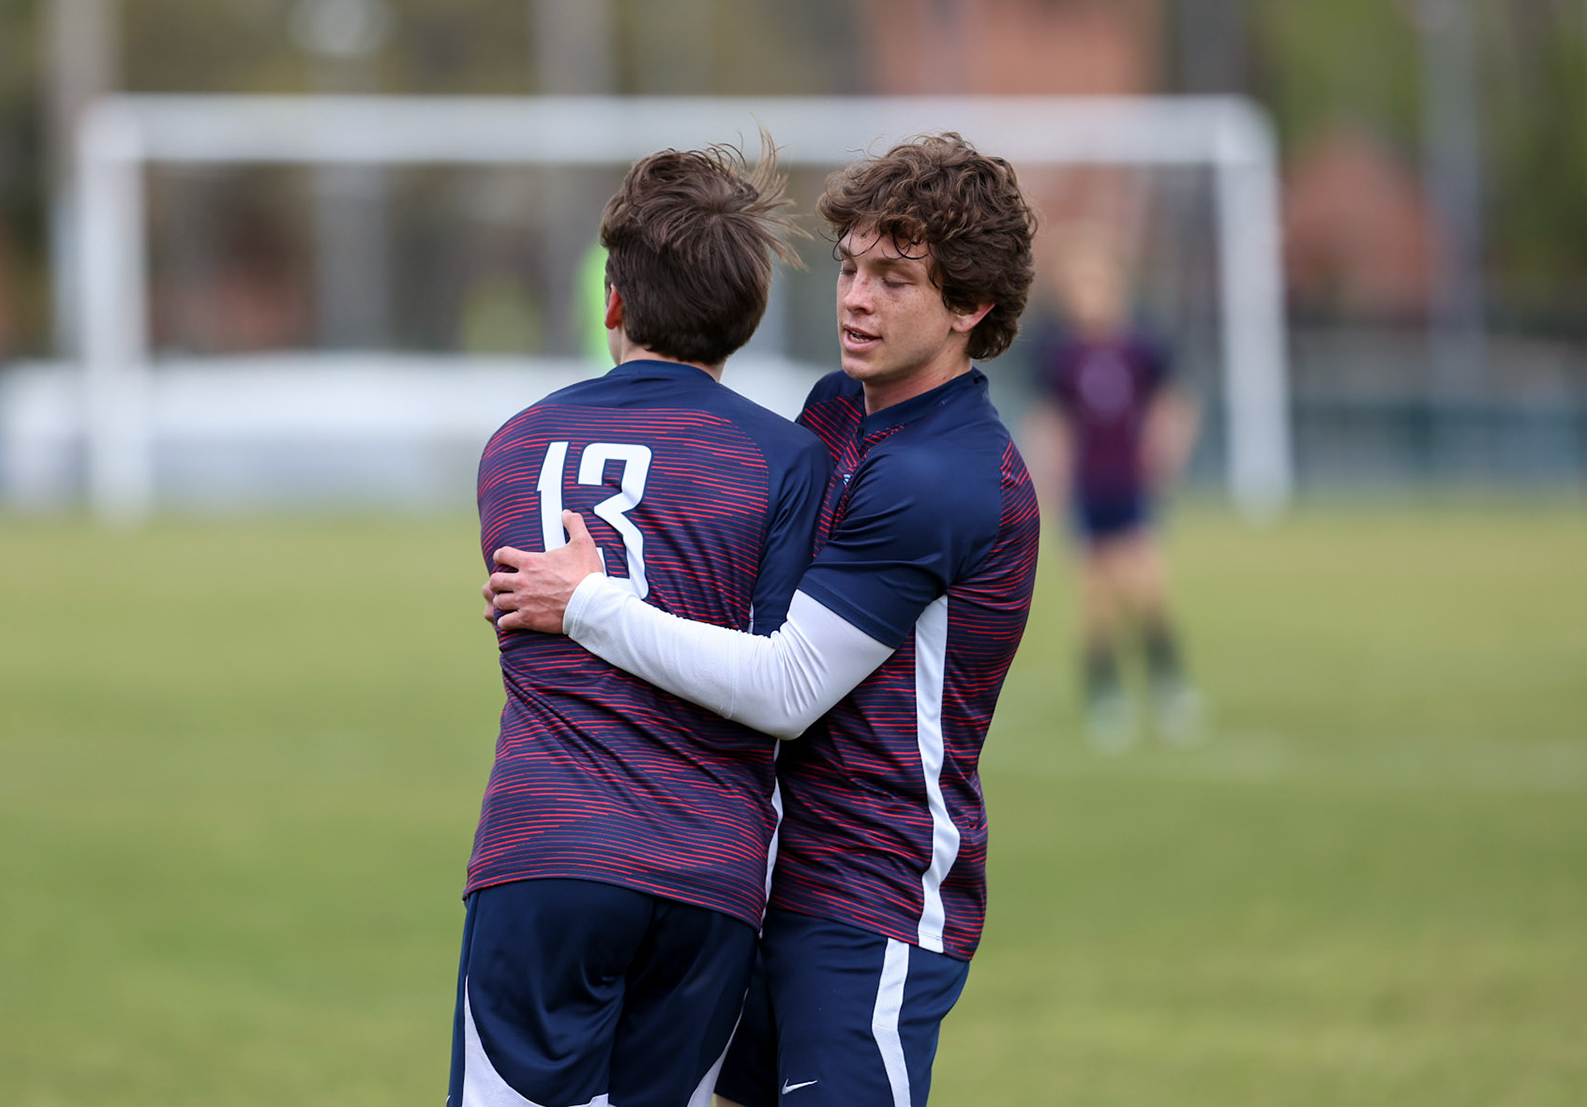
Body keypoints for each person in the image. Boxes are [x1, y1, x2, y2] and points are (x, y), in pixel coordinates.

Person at [487, 133, 1039, 1107]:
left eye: (896, 279)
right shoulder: (838, 409)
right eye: (851, 267)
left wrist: (588, 602)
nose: (856, 298)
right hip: (757, 872)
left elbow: (787, 684)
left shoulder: (940, 477)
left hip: (869, 893)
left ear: (970, 305)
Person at [452, 141, 831, 1107]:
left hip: (546, 855)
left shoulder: (515, 444)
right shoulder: (786, 462)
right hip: (710, 877)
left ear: (612, 302)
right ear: (743, 323)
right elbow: (781, 669)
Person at [1029, 233, 1205, 751]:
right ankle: (1105, 699)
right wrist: (1049, 476)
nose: (1087, 296)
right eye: (1077, 287)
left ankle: (1171, 688)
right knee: (1095, 602)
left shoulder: (1141, 346)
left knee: (1148, 590)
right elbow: (1051, 423)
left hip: (1131, 487)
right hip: (1087, 491)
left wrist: (1168, 451)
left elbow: (1175, 403)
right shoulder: (1061, 356)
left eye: (1095, 284)